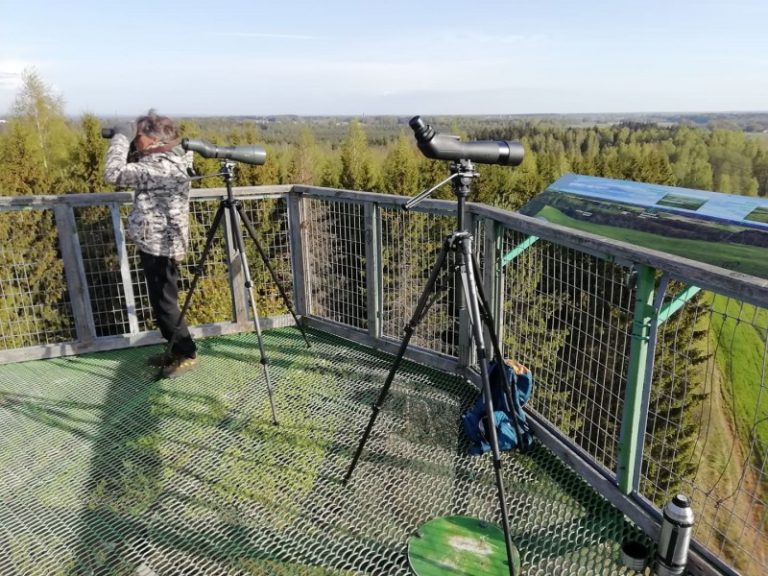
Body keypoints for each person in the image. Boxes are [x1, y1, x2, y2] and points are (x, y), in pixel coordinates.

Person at [104, 110, 198, 378]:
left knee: (166, 305)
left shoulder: (155, 166)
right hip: (164, 242)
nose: (136, 141)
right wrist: (135, 139)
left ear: (152, 140)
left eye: (139, 137)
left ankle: (186, 353)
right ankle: (176, 350)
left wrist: (121, 137)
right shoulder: (175, 159)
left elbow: (113, 173)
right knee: (162, 302)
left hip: (159, 245)